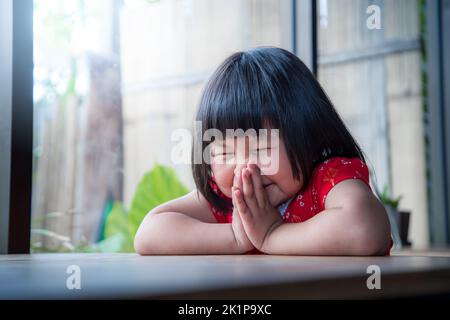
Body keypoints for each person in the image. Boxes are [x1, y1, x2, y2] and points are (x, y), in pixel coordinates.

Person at [134, 47, 392, 256]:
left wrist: (272, 234)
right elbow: (149, 234)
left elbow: (364, 229)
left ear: (311, 139)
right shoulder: (226, 199)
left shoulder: (327, 178)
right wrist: (234, 238)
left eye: (262, 148)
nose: (245, 168)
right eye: (224, 153)